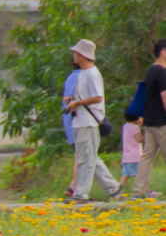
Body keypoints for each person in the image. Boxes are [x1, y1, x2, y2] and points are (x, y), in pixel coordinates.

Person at [64, 39, 122, 202]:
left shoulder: (92, 73)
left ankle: (81, 193)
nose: (73, 56)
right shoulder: (83, 73)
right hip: (81, 121)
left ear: (83, 55)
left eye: (76, 53)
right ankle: (113, 188)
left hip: (88, 122)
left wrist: (78, 103)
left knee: (85, 159)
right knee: (89, 157)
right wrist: (72, 99)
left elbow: (97, 97)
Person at [132, 38, 166, 199]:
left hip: (150, 120)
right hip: (161, 122)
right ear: (163, 52)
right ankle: (140, 190)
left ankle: (139, 190)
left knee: (147, 156)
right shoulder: (161, 71)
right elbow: (165, 98)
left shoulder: (151, 70)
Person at [61, 57, 82, 198]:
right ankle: (74, 185)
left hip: (69, 120)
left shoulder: (70, 78)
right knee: (81, 155)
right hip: (78, 120)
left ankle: (74, 185)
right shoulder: (83, 76)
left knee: (79, 153)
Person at [120, 114, 143, 190]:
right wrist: (148, 135)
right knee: (140, 175)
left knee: (125, 175)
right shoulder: (135, 127)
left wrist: (138, 125)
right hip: (135, 156)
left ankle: (119, 191)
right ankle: (144, 190)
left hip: (126, 156)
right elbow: (138, 139)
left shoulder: (125, 126)